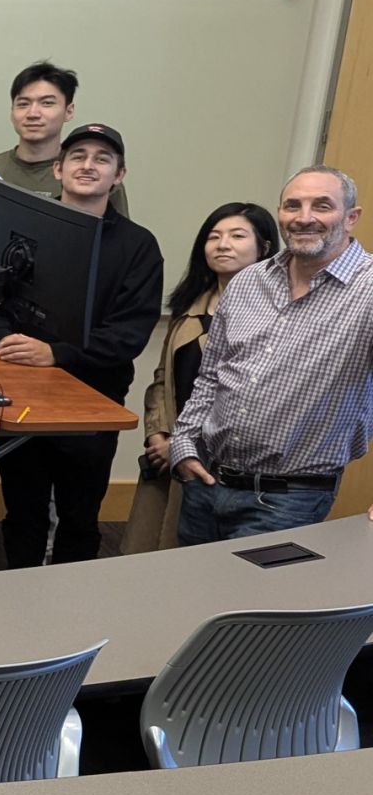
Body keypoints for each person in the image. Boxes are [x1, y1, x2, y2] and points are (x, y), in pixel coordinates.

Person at [0, 125, 163, 567]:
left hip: (94, 403)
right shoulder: (24, 231)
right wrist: (2, 339)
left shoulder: (138, 246)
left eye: (102, 158)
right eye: (78, 156)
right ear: (58, 168)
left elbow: (128, 334)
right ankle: (15, 602)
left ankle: (73, 612)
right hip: (24, 397)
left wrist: (57, 354)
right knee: (23, 511)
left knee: (80, 515)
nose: (88, 165)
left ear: (119, 175)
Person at [171, 165, 373, 542]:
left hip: (289, 499)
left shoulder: (368, 290)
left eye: (322, 206)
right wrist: (183, 444)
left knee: (251, 600)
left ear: (351, 218)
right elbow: (211, 375)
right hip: (205, 482)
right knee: (189, 596)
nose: (304, 218)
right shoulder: (250, 280)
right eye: (292, 206)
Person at [122, 202, 279, 554]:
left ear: (265, 247)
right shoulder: (190, 306)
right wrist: (159, 434)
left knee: (197, 560)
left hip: (219, 461)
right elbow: (163, 378)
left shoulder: (273, 313)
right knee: (147, 554)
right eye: (214, 236)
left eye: (238, 236)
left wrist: (185, 444)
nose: (223, 244)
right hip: (167, 450)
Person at [0, 61, 129, 218]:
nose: (33, 113)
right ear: (12, 111)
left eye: (47, 103)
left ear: (68, 111)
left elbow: (118, 237)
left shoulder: (92, 176)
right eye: (23, 104)